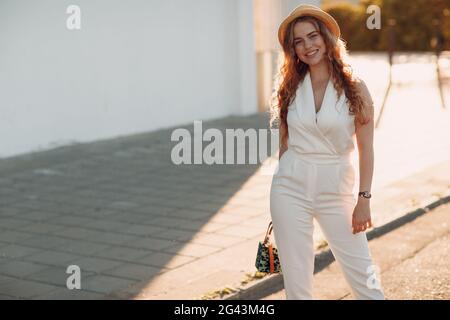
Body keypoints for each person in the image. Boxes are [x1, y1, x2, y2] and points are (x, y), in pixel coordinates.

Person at [269, 4, 385, 300]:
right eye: (298, 41)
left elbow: (367, 148)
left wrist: (365, 199)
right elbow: (285, 144)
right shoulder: (289, 87)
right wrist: (278, 200)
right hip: (289, 187)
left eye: (312, 36)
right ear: (293, 49)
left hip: (336, 189)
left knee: (363, 275)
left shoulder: (355, 87)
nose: (308, 46)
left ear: (326, 38)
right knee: (296, 281)